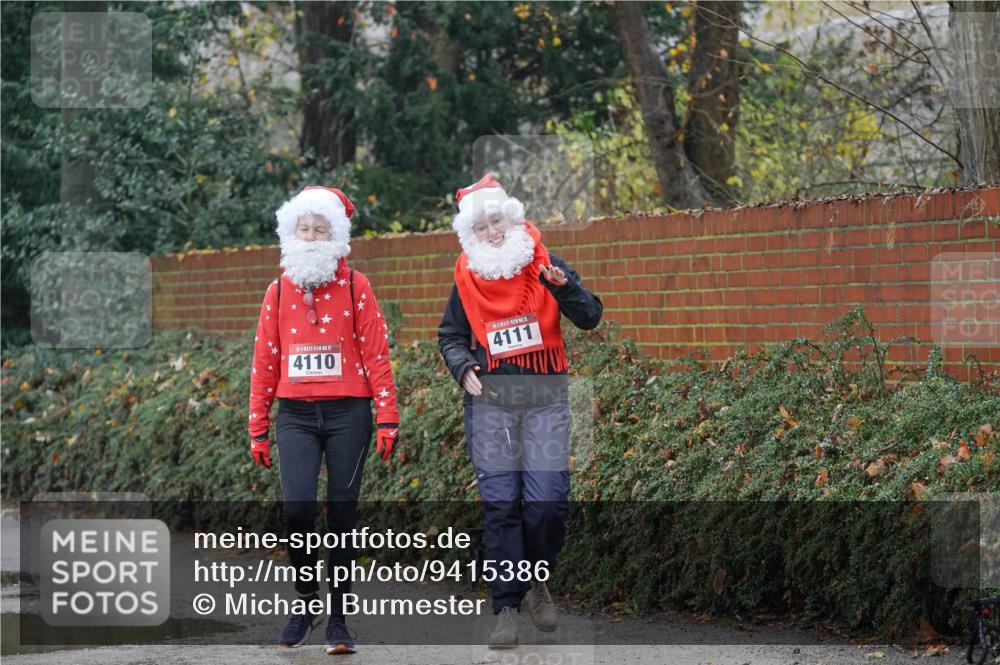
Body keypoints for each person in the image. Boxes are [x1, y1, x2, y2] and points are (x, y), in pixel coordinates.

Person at [437, 174, 602, 648]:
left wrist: (564, 286)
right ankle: (506, 608)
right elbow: (449, 335)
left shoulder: (544, 263)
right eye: (482, 225)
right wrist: (462, 364)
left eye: (498, 221)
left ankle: (535, 577)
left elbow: (590, 316)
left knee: (547, 501)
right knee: (502, 505)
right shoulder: (466, 278)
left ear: (513, 218)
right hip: (490, 403)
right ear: (472, 232)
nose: (492, 232)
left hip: (545, 397)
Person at [247, 185, 400, 655]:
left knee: (342, 513)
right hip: (294, 415)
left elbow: (376, 352)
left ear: (336, 236)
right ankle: (305, 601)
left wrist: (387, 416)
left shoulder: (356, 285)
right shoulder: (278, 289)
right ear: (290, 234)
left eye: (320, 229)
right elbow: (265, 359)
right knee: (297, 510)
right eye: (304, 228)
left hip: (347, 413)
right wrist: (258, 424)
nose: (311, 236)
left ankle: (338, 619)